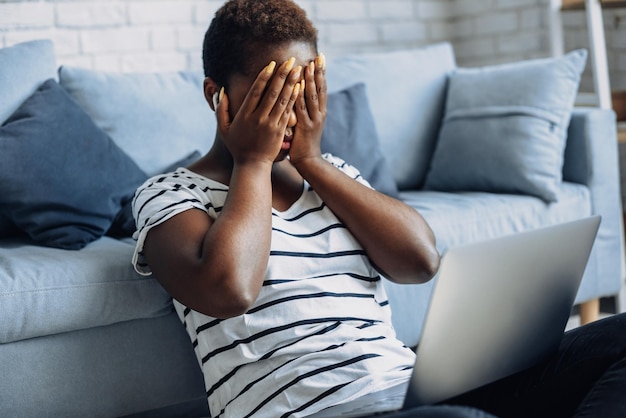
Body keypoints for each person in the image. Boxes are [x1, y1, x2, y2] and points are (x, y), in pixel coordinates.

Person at [131, 1, 626, 417]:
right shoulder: (170, 194)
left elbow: (420, 261)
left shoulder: (333, 175)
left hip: (411, 393)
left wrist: (311, 161)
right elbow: (230, 289)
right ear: (216, 95)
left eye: (303, 92)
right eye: (272, 94)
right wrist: (254, 161)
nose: (291, 112)